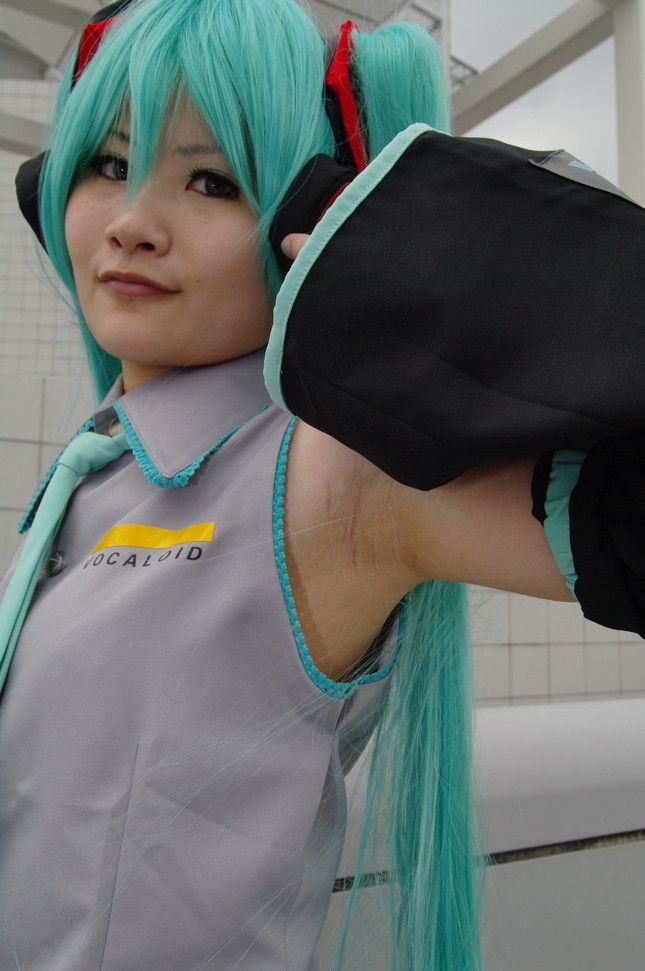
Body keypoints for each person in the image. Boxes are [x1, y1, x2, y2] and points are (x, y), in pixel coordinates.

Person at [1, 0, 640, 968]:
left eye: (212, 180)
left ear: (308, 216)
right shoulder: (90, 473)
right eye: (108, 163)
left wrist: (437, 246)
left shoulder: (328, 475)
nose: (132, 224)